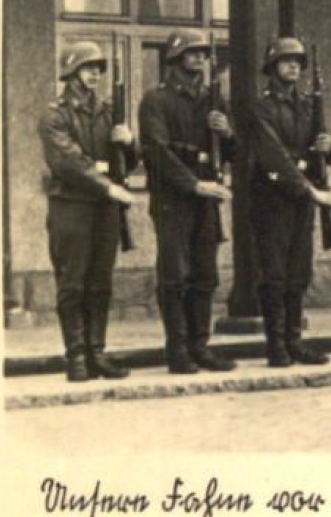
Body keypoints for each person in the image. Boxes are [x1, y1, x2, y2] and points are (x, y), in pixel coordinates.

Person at [38, 41, 140, 382]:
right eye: (88, 67)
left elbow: (129, 162)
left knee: (100, 282)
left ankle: (97, 352)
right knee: (73, 283)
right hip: (71, 205)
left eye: (98, 68)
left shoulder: (109, 112)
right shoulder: (56, 114)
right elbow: (68, 161)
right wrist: (108, 187)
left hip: (103, 209)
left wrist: (128, 142)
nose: (95, 73)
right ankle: (77, 355)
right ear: (72, 72)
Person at [139, 30, 237, 375]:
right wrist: (194, 185)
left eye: (202, 54)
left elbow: (234, 154)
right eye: (191, 54)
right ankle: (177, 350)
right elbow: (156, 151)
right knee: (175, 276)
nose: (198, 59)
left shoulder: (213, 101)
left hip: (205, 197)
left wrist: (226, 133)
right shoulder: (157, 100)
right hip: (174, 198)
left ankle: (200, 346)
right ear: (176, 58)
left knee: (205, 276)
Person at [249, 38, 331, 368]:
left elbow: (323, 155)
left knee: (298, 272)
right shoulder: (264, 107)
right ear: (272, 67)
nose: (293, 66)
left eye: (298, 62)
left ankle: (294, 340)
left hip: (302, 199)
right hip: (273, 198)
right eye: (286, 61)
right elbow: (273, 156)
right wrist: (309, 189)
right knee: (274, 274)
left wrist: (326, 147)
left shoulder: (307, 104)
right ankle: (276, 346)